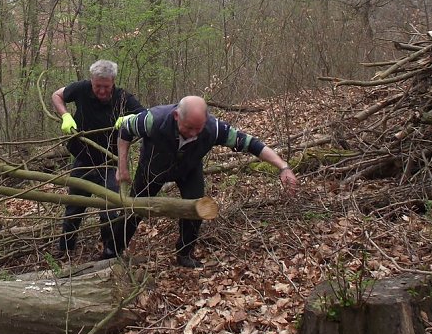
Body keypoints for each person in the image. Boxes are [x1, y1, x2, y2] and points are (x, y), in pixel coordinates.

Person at [113, 95, 298, 268]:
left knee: (197, 207)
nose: (194, 133)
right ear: (176, 116)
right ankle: (113, 250)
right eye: (189, 128)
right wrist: (122, 167)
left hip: (189, 169)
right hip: (153, 169)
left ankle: (185, 253)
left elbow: (251, 144)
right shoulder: (153, 119)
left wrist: (283, 167)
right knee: (133, 209)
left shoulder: (214, 128)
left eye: (198, 128)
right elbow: (125, 129)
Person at [51, 60, 145, 259]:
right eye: (97, 86)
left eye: (106, 86)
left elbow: (145, 115)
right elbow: (57, 95)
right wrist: (65, 116)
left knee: (110, 210)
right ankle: (65, 250)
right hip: (83, 160)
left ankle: (109, 253)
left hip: (110, 163)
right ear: (91, 81)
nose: (102, 91)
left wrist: (129, 119)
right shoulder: (81, 89)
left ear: (113, 82)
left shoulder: (123, 98)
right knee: (74, 207)